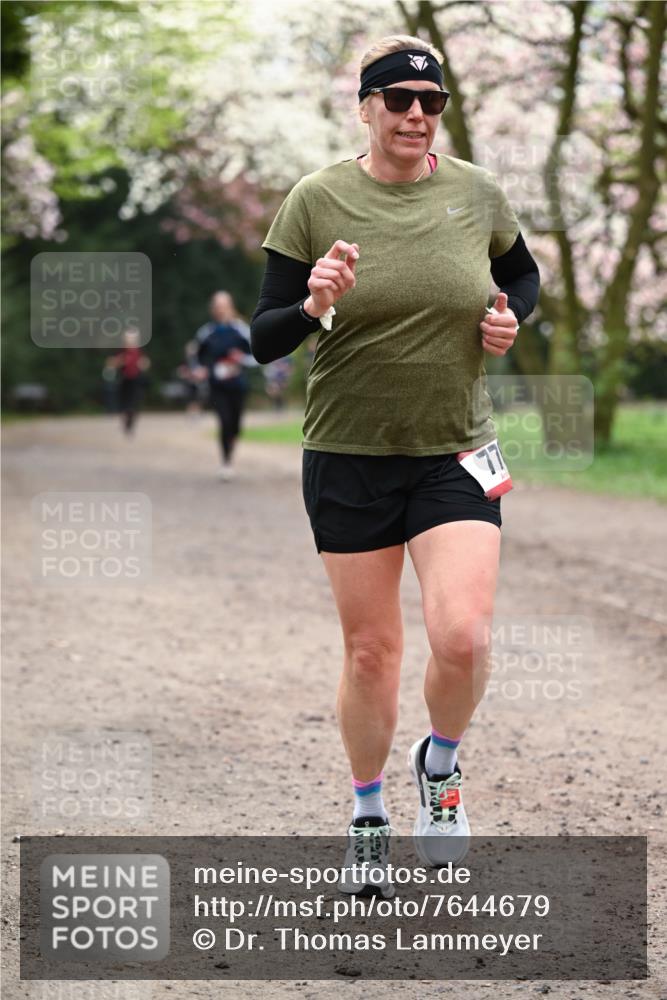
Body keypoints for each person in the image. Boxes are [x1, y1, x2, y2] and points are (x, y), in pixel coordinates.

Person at [250, 35, 540, 896]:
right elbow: (265, 332)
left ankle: (440, 771)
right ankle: (367, 809)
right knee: (372, 653)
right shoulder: (316, 199)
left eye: (431, 101)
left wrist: (506, 317)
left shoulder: (476, 192)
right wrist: (312, 302)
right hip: (347, 453)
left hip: (454, 449)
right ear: (367, 107)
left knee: (463, 635)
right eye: (399, 98)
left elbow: (520, 276)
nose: (417, 114)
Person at [197, 291, 254, 480]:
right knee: (224, 421)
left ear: (230, 307)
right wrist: (201, 369)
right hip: (217, 385)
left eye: (224, 305)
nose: (221, 309)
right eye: (217, 305)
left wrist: (241, 359)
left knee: (235, 425)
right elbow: (196, 357)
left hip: (237, 385)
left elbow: (257, 356)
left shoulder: (241, 330)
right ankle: (226, 462)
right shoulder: (207, 332)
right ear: (213, 309)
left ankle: (230, 450)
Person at [105, 327, 150, 436]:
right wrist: (120, 361)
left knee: (134, 404)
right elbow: (110, 363)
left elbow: (146, 363)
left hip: (136, 380)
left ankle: (130, 425)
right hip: (124, 379)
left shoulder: (140, 351)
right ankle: (126, 424)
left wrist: (143, 364)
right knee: (124, 404)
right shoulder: (121, 351)